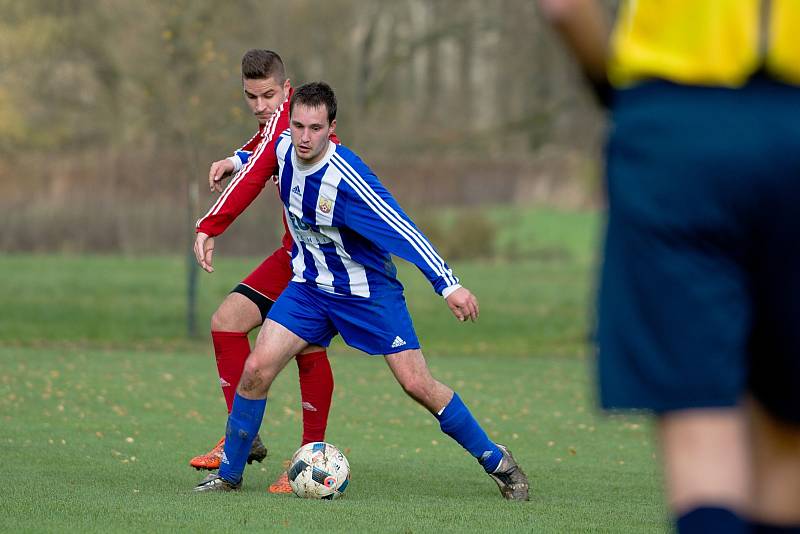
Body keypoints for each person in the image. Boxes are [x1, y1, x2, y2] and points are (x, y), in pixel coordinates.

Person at [193, 82, 529, 501]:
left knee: (416, 384)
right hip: (311, 290)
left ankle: (497, 461)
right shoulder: (283, 150)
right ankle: (229, 474)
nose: (304, 137)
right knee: (256, 369)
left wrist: (449, 285)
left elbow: (403, 228)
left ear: (332, 127)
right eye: (297, 125)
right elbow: (257, 156)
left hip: (368, 295)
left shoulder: (347, 178)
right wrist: (225, 184)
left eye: (315, 128)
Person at [539, 1, 800, 532]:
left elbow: (565, 8)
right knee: (787, 442)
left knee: (701, 430)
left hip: (675, 133)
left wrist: (621, 95)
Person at [191, 49, 336, 494]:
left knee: (308, 348)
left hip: (322, 260)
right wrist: (234, 158)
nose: (260, 105)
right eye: (251, 97)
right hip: (291, 254)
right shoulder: (275, 123)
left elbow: (257, 173)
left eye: (268, 95)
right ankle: (244, 433)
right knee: (227, 323)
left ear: (286, 90)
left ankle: (310, 457)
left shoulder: (293, 121)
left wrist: (210, 224)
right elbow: (259, 147)